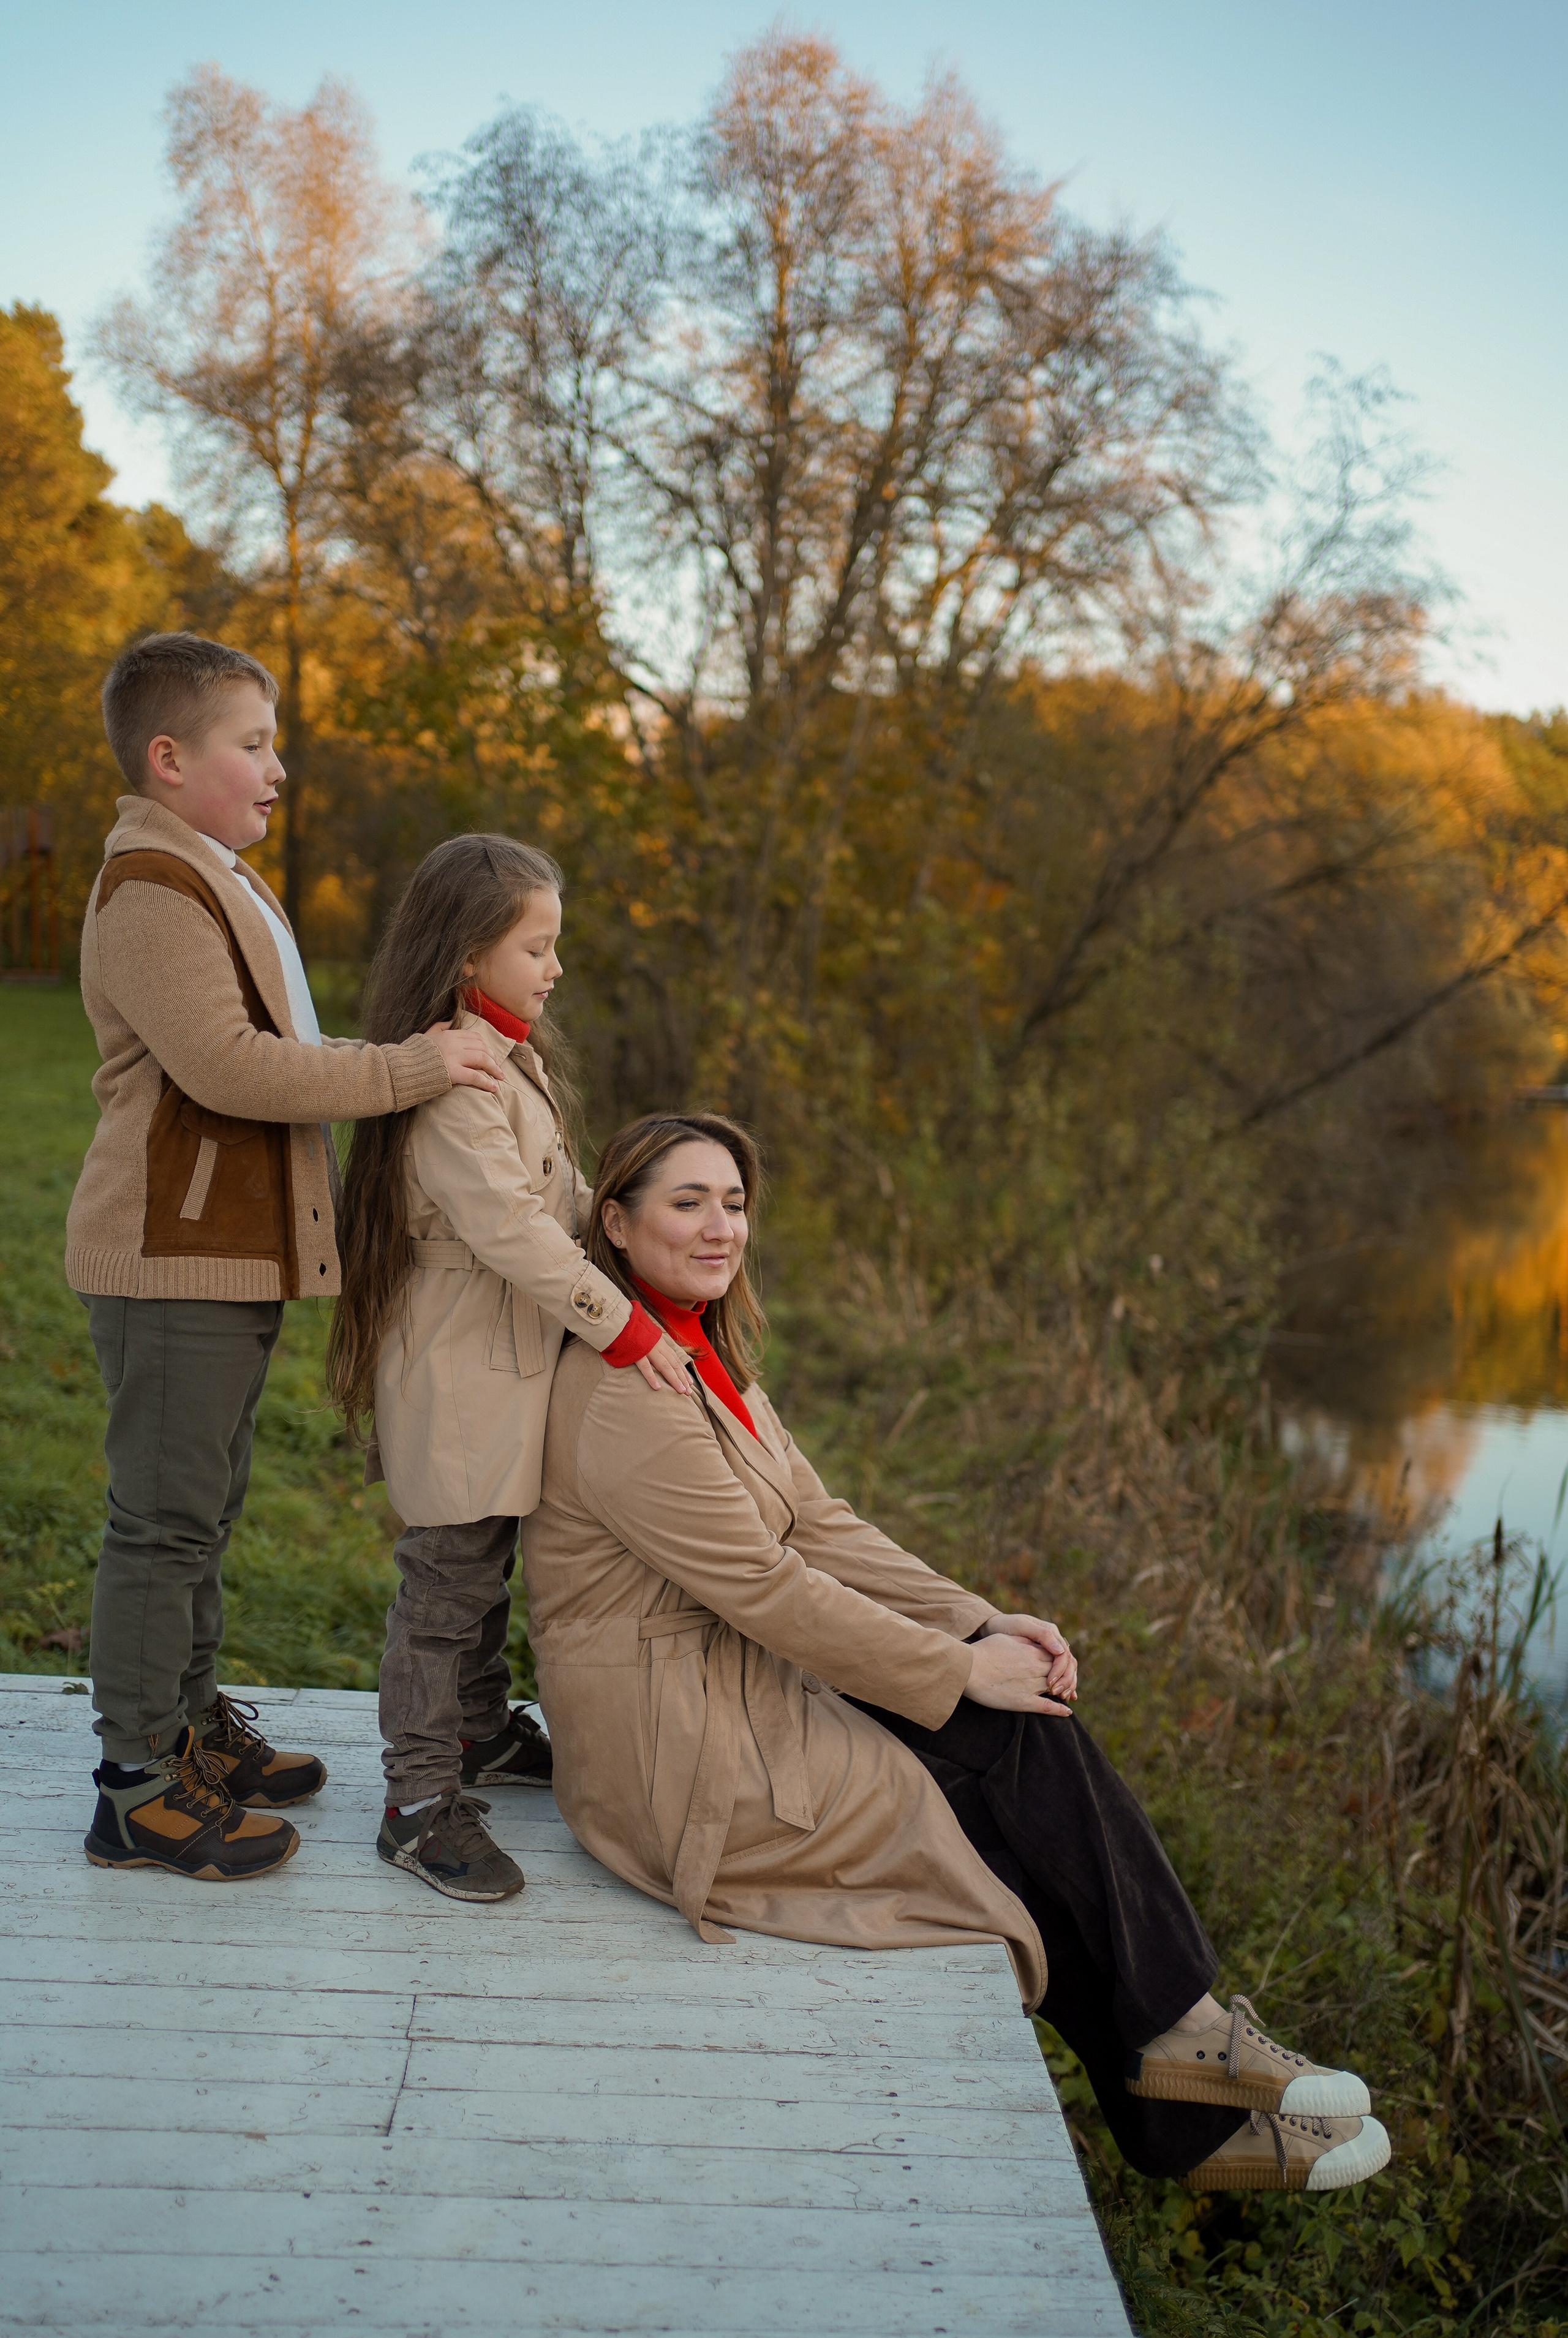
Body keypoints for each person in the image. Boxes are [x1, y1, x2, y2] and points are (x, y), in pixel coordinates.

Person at [521, 1112, 1394, 2195]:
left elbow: (820, 1523)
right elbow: (764, 1586)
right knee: (997, 1813)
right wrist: (957, 1669)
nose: (718, 1228)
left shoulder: (694, 1353)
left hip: (734, 1689)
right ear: (614, 1220)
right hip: (679, 1752)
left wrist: (978, 1623)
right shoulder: (626, 1394)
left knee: (1025, 1749)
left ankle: (1191, 2063)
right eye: (687, 1202)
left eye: (734, 1203)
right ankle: (1191, 2080)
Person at [71, 630, 505, 1884]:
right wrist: (414, 1065)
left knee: (197, 1517)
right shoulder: (151, 891)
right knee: (159, 1524)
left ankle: (190, 1734)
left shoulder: (213, 872)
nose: (278, 769)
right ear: (168, 760)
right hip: (170, 1258)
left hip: (223, 1256)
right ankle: (135, 1786)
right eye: (252, 746)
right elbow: (233, 1068)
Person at [327, 837, 695, 1903]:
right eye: (537, 946)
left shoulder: (508, 1054)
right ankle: (416, 1798)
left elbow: (564, 1200)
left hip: (508, 1357)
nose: (556, 967)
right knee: (446, 1581)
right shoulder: (455, 1079)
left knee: (483, 1560)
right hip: (459, 1365)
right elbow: (510, 1231)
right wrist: (626, 1324)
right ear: (467, 953)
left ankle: (480, 1732)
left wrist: (639, 1239)